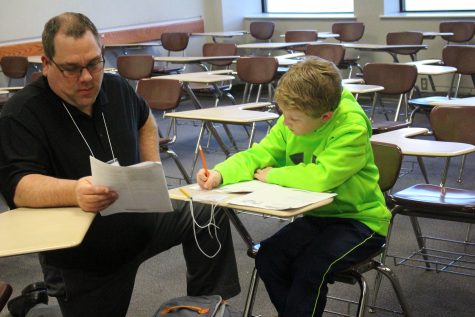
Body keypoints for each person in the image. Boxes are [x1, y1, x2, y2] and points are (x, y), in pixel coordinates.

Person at [0, 12, 240, 317]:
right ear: (47, 65)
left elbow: (146, 122)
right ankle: (33, 307)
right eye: (72, 69)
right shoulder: (23, 113)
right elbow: (20, 187)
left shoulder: (116, 88)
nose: (86, 77)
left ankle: (208, 308)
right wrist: (75, 192)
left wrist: (150, 167)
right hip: (84, 252)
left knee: (207, 212)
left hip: (140, 221)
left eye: (93, 63)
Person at [197, 58, 390, 317]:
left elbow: (322, 178)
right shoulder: (296, 115)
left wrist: (274, 175)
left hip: (361, 222)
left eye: (293, 118)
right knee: (269, 257)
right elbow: (260, 154)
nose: (285, 122)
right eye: (283, 115)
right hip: (318, 217)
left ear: (326, 117)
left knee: (310, 267)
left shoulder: (351, 127)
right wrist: (221, 174)